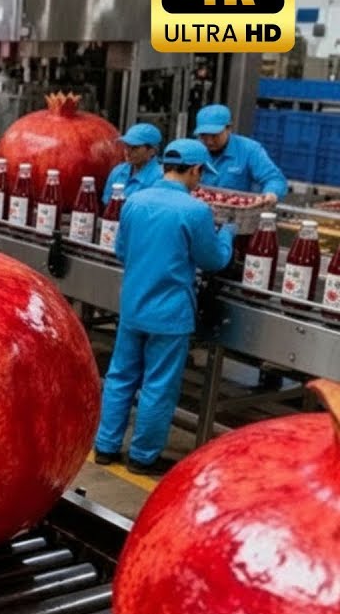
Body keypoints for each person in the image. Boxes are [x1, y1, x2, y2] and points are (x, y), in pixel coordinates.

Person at [94, 139, 236, 475]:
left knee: (120, 377)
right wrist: (227, 233)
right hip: (169, 315)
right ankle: (143, 457)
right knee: (158, 385)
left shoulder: (134, 201)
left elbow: (122, 251)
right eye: (201, 174)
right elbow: (212, 259)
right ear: (195, 170)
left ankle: (105, 446)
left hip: (133, 306)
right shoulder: (195, 210)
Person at [193, 103, 288, 200]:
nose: (209, 141)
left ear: (229, 129)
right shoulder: (192, 150)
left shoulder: (249, 150)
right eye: (203, 135)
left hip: (234, 212)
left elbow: (275, 179)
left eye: (214, 135)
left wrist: (271, 194)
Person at [103, 123, 163, 204]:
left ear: (152, 151)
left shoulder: (160, 178)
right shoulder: (118, 171)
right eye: (127, 146)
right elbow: (106, 204)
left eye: (135, 148)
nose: (128, 151)